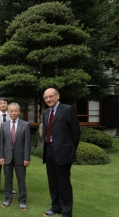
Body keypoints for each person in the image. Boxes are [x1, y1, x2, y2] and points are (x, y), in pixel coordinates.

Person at [42, 88, 80, 217]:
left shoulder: (67, 109)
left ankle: (67, 211)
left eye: (51, 96)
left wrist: (69, 149)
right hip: (49, 150)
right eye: (46, 97)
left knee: (63, 183)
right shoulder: (46, 112)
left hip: (63, 152)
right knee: (53, 182)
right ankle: (56, 207)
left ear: (58, 96)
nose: (48, 99)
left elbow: (75, 132)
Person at [0, 102, 31, 211]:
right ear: (8, 112)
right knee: (8, 180)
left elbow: (27, 143)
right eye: (11, 111)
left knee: (21, 180)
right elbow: (2, 143)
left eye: (15, 111)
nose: (13, 113)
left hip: (20, 158)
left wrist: (27, 158)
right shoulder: (4, 125)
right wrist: (1, 157)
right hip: (7, 157)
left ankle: (22, 201)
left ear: (19, 112)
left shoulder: (25, 125)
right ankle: (8, 199)